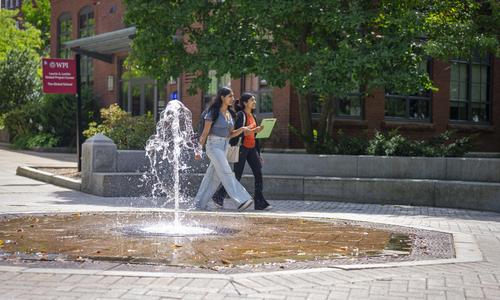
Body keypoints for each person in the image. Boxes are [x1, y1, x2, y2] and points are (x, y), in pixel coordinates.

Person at [194, 87, 254, 211]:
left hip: (225, 146)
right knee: (226, 172)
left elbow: (230, 134)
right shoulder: (212, 112)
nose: (233, 99)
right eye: (230, 96)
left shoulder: (230, 114)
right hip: (213, 146)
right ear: (222, 97)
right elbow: (205, 133)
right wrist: (198, 149)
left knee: (213, 178)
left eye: (232, 96)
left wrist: (243, 129)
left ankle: (198, 204)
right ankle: (242, 200)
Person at [212, 93, 272, 210]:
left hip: (252, 148)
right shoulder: (241, 115)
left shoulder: (252, 116)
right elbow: (239, 132)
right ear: (245, 103)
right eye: (252, 100)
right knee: (237, 175)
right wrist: (255, 130)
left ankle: (259, 201)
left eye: (254, 100)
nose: (254, 102)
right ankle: (218, 196)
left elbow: (255, 136)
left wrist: (258, 154)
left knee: (258, 173)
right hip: (242, 148)